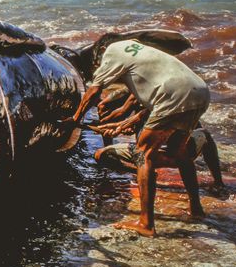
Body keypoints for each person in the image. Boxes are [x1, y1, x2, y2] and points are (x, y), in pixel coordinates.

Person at [68, 35, 211, 236]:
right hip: (200, 91)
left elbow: (94, 90)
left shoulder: (111, 51)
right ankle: (196, 209)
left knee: (143, 154)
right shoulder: (138, 49)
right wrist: (122, 124)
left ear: (100, 52)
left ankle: (146, 224)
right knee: (179, 151)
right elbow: (149, 100)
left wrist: (75, 119)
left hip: (173, 94)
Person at [92, 83, 224, 190]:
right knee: (204, 134)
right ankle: (218, 182)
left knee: (101, 154)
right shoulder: (174, 100)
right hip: (172, 156)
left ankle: (143, 172)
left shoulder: (139, 102)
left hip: (149, 156)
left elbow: (118, 113)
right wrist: (129, 128)